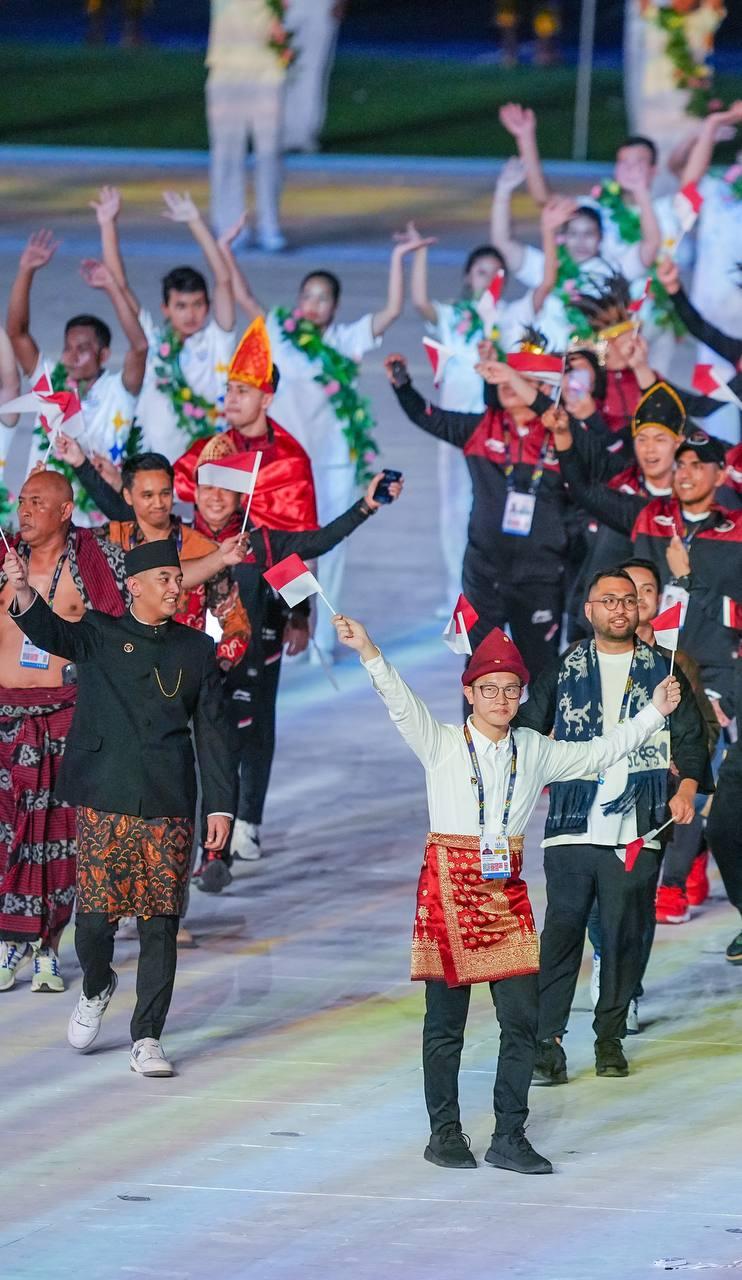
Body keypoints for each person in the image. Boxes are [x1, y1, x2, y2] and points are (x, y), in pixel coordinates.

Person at [332, 613, 680, 1171]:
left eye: (510, 689)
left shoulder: (534, 749)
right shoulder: (441, 742)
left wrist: (653, 713)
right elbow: (398, 698)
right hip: (448, 891)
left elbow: (597, 753)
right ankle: (444, 1132)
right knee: (445, 1025)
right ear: (469, 692)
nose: (500, 698)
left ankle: (509, 1136)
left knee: (523, 1021)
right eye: (488, 689)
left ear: (521, 695)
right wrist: (370, 648)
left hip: (505, 894)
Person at [3, 538, 236, 1076]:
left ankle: (148, 1036)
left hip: (167, 803)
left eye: (178, 578)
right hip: (106, 799)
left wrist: (221, 807)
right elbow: (50, 631)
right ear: (133, 585)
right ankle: (97, 983)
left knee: (159, 922)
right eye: (164, 579)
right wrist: (21, 589)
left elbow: (216, 735)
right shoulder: (101, 634)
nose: (175, 587)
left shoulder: (196, 650)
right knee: (94, 924)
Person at [518, 568, 711, 1084]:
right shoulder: (566, 667)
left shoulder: (662, 671)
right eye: (609, 601)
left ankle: (609, 1038)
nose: (620, 609)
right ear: (590, 610)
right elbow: (527, 732)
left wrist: (688, 787)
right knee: (560, 932)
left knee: (624, 933)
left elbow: (692, 738)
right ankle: (548, 1043)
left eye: (628, 600)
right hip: (571, 823)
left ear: (639, 610)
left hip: (637, 826)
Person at [190, 436, 403, 861]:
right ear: (193, 489)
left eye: (226, 486)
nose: (215, 497)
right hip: (188, 670)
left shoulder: (262, 543)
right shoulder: (177, 539)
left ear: (242, 494)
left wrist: (366, 506)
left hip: (244, 665)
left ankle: (226, 841)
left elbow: (319, 542)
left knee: (236, 744)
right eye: (207, 485)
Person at [218, 242, 419, 659]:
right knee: (288, 547)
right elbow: (244, 298)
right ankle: (296, 624)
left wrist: (399, 258)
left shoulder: (344, 341)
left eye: (322, 298)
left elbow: (392, 310)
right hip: (288, 466)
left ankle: (326, 637)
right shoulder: (279, 332)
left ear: (334, 306)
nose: (313, 305)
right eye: (307, 296)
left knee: (332, 549)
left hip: (333, 464)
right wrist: (224, 249)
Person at [0, 470, 127, 994]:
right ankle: (9, 942)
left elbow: (118, 630)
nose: (24, 511)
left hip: (65, 718)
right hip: (6, 717)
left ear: (64, 509)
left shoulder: (90, 561)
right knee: (7, 837)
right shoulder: (4, 559)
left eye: (36, 502)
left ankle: (49, 947)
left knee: (57, 838)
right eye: (21, 501)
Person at [385, 335, 575, 676]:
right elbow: (431, 418)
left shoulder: (561, 435)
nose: (506, 386)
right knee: (478, 669)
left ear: (543, 390)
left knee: (542, 674)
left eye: (518, 380)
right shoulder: (480, 428)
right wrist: (403, 386)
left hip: (540, 576)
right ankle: (473, 732)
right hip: (482, 573)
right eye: (502, 378)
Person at [550, 413, 741, 721]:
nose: (686, 474)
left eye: (698, 465)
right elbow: (583, 491)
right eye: (681, 465)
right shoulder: (648, 515)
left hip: (713, 673)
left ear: (720, 476)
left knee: (700, 766)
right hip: (652, 665)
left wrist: (731, 700)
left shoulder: (737, 529)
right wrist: (563, 437)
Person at [6, 229, 148, 523]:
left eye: (83, 348)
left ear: (104, 355)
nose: (71, 355)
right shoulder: (50, 385)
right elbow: (17, 333)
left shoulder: (118, 391)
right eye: (68, 348)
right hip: (47, 523)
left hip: (102, 522)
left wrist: (111, 287)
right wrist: (26, 270)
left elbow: (140, 345)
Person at [405, 226, 510, 612]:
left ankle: (490, 589)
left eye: (497, 274)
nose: (488, 280)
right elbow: (419, 303)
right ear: (469, 275)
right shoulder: (452, 316)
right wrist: (418, 254)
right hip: (453, 427)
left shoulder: (507, 323)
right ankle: (457, 591)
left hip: (492, 427)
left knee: (489, 504)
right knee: (453, 506)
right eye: (482, 271)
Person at [94, 186, 236, 461]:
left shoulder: (218, 341)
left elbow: (224, 281)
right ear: (165, 309)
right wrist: (108, 225)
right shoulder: (150, 342)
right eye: (181, 306)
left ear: (207, 307)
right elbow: (119, 285)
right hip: (154, 470)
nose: (190, 314)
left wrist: (195, 221)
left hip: (208, 466)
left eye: (197, 305)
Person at [554, 380, 683, 639]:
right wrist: (563, 438)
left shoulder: (690, 501)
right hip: (597, 622)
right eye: (642, 439)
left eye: (659, 439)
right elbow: (582, 489)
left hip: (662, 630)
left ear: (678, 443)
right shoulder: (622, 484)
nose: (649, 449)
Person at [491, 162, 657, 351]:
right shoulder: (548, 266)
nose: (580, 242)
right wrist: (503, 192)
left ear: (600, 238)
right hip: (549, 365)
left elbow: (651, 245)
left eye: (588, 234)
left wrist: (641, 193)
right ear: (563, 238)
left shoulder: (614, 271)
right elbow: (503, 244)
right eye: (574, 234)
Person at [173, 316, 318, 533]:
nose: (231, 399)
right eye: (229, 389)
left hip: (272, 565)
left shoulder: (291, 461)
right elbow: (160, 494)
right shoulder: (207, 451)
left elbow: (306, 543)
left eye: (242, 391)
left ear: (266, 399)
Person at [206, 0, 290, 250]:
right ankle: (230, 227)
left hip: (268, 69)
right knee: (226, 153)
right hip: (225, 69)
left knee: (269, 152)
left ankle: (270, 225)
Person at [282, 0, 346, 153]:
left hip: (321, 6)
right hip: (288, 6)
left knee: (313, 69)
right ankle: (282, 130)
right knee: (282, 69)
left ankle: (304, 134)